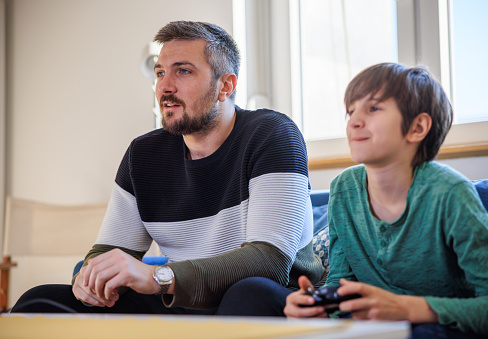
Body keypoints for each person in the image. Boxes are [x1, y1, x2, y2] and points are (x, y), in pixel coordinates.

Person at [11, 21, 325, 315]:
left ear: (225, 86)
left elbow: (270, 263)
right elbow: (109, 253)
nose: (165, 87)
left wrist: (160, 277)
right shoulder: (143, 154)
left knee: (249, 292)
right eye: (160, 73)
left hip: (277, 298)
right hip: (184, 299)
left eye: (183, 71)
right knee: (39, 300)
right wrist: (92, 276)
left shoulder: (273, 135)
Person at [284, 63, 488, 338]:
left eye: (374, 108)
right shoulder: (344, 190)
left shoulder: (451, 193)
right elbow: (341, 285)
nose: (354, 121)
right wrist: (319, 308)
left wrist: (408, 308)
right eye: (351, 111)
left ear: (417, 127)